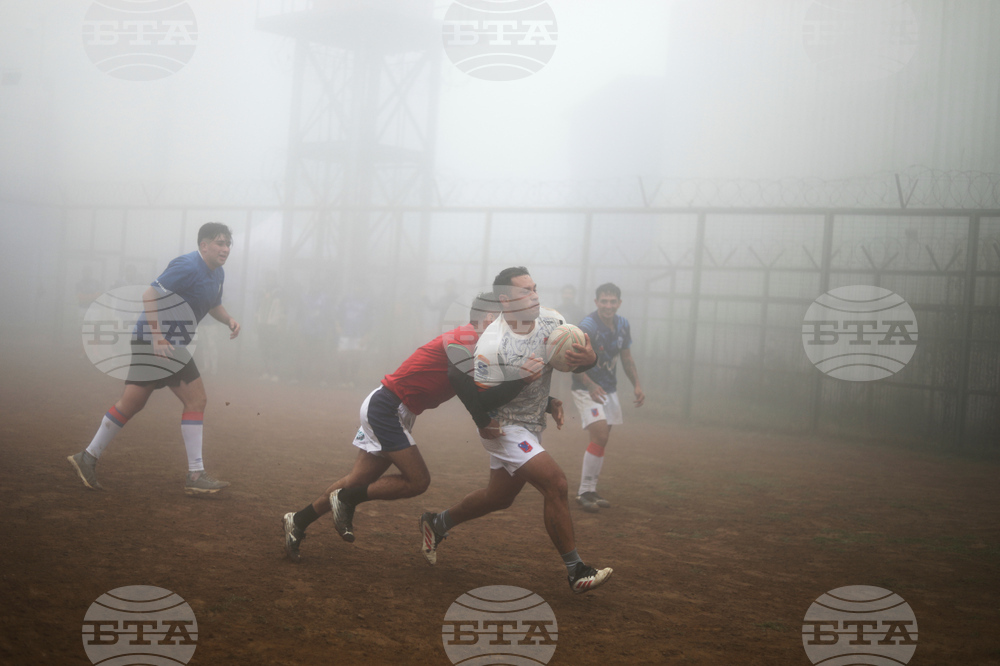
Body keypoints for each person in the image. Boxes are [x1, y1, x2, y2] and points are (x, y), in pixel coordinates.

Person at [281, 292, 541, 563]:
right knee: (418, 481)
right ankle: (347, 500)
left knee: (357, 480)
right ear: (488, 317)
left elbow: (486, 388)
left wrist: (541, 398)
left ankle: (298, 521)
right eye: (502, 317)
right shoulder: (466, 336)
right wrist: (486, 415)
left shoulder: (481, 347)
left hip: (394, 409)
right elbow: (460, 376)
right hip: (386, 407)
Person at [418, 267, 614, 594]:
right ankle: (576, 570)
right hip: (503, 428)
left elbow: (574, 361)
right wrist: (518, 384)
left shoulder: (554, 322)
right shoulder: (492, 344)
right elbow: (481, 398)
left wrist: (589, 359)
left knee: (499, 498)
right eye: (526, 291)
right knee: (556, 483)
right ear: (506, 300)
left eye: (535, 288)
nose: (535, 294)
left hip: (532, 426)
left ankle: (436, 523)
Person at [67, 222, 240, 495]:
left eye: (228, 243)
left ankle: (86, 457)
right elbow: (150, 294)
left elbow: (213, 304)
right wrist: (158, 337)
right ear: (203, 245)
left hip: (166, 341)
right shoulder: (186, 265)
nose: (226, 248)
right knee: (196, 399)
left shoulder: (217, 274)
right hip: (159, 341)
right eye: (219, 243)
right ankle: (195, 475)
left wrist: (228, 319)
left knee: (131, 403)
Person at [571, 282, 645, 512]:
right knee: (600, 435)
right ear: (596, 302)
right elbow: (573, 361)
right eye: (604, 301)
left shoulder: (623, 324)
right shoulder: (588, 326)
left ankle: (591, 489)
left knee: (602, 440)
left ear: (619, 303)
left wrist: (637, 385)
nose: (608, 305)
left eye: (613, 301)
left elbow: (627, 358)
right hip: (586, 388)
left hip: (609, 389)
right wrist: (591, 384)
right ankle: (583, 491)